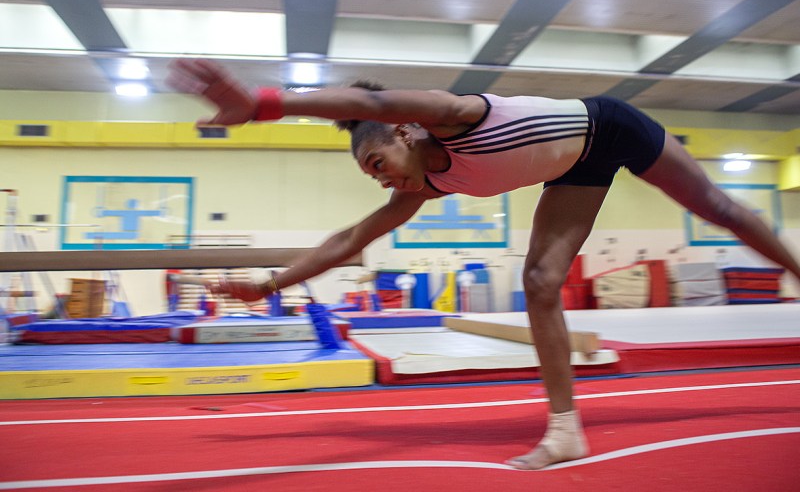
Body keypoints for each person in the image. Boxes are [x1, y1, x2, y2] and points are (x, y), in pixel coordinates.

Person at [167, 58, 800, 469]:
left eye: (378, 164)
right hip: (575, 167)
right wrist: (270, 284)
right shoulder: (424, 186)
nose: (380, 181)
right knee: (540, 280)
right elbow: (349, 239)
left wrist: (265, 103)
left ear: (406, 134)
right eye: (370, 175)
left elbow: (376, 102)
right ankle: (565, 430)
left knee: (716, 206)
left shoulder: (454, 116)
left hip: (612, 125)